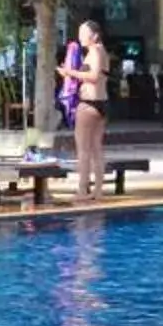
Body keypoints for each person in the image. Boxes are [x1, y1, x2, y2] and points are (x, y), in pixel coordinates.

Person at [64, 18, 110, 202]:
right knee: (96, 149)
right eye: (79, 32)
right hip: (100, 104)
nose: (80, 36)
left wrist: (70, 72)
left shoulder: (96, 51)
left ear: (95, 36)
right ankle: (97, 190)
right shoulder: (97, 51)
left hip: (90, 104)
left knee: (83, 150)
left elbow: (93, 76)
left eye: (84, 33)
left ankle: (83, 190)